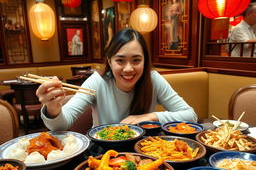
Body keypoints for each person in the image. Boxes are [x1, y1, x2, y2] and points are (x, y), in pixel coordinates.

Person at [36, 28, 197, 131]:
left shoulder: (153, 79)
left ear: (145, 61)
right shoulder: (97, 82)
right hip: (103, 154)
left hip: (143, 150)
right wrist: (53, 107)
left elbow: (190, 115)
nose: (128, 69)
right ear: (109, 61)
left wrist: (149, 116)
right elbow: (62, 125)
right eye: (120, 60)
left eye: (136, 60)